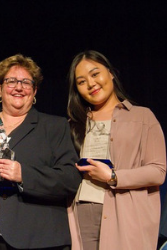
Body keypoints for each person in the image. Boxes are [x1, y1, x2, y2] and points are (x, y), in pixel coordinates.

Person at [0, 54, 82, 249]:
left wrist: (24, 175)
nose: (18, 87)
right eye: (11, 81)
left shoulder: (53, 127)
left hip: (34, 238)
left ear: (34, 91)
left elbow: (71, 179)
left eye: (26, 82)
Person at [66, 50, 166, 250]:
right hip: (83, 209)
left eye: (95, 74)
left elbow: (158, 171)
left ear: (111, 73)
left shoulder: (142, 117)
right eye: (82, 81)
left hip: (126, 213)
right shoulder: (74, 124)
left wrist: (113, 176)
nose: (91, 84)